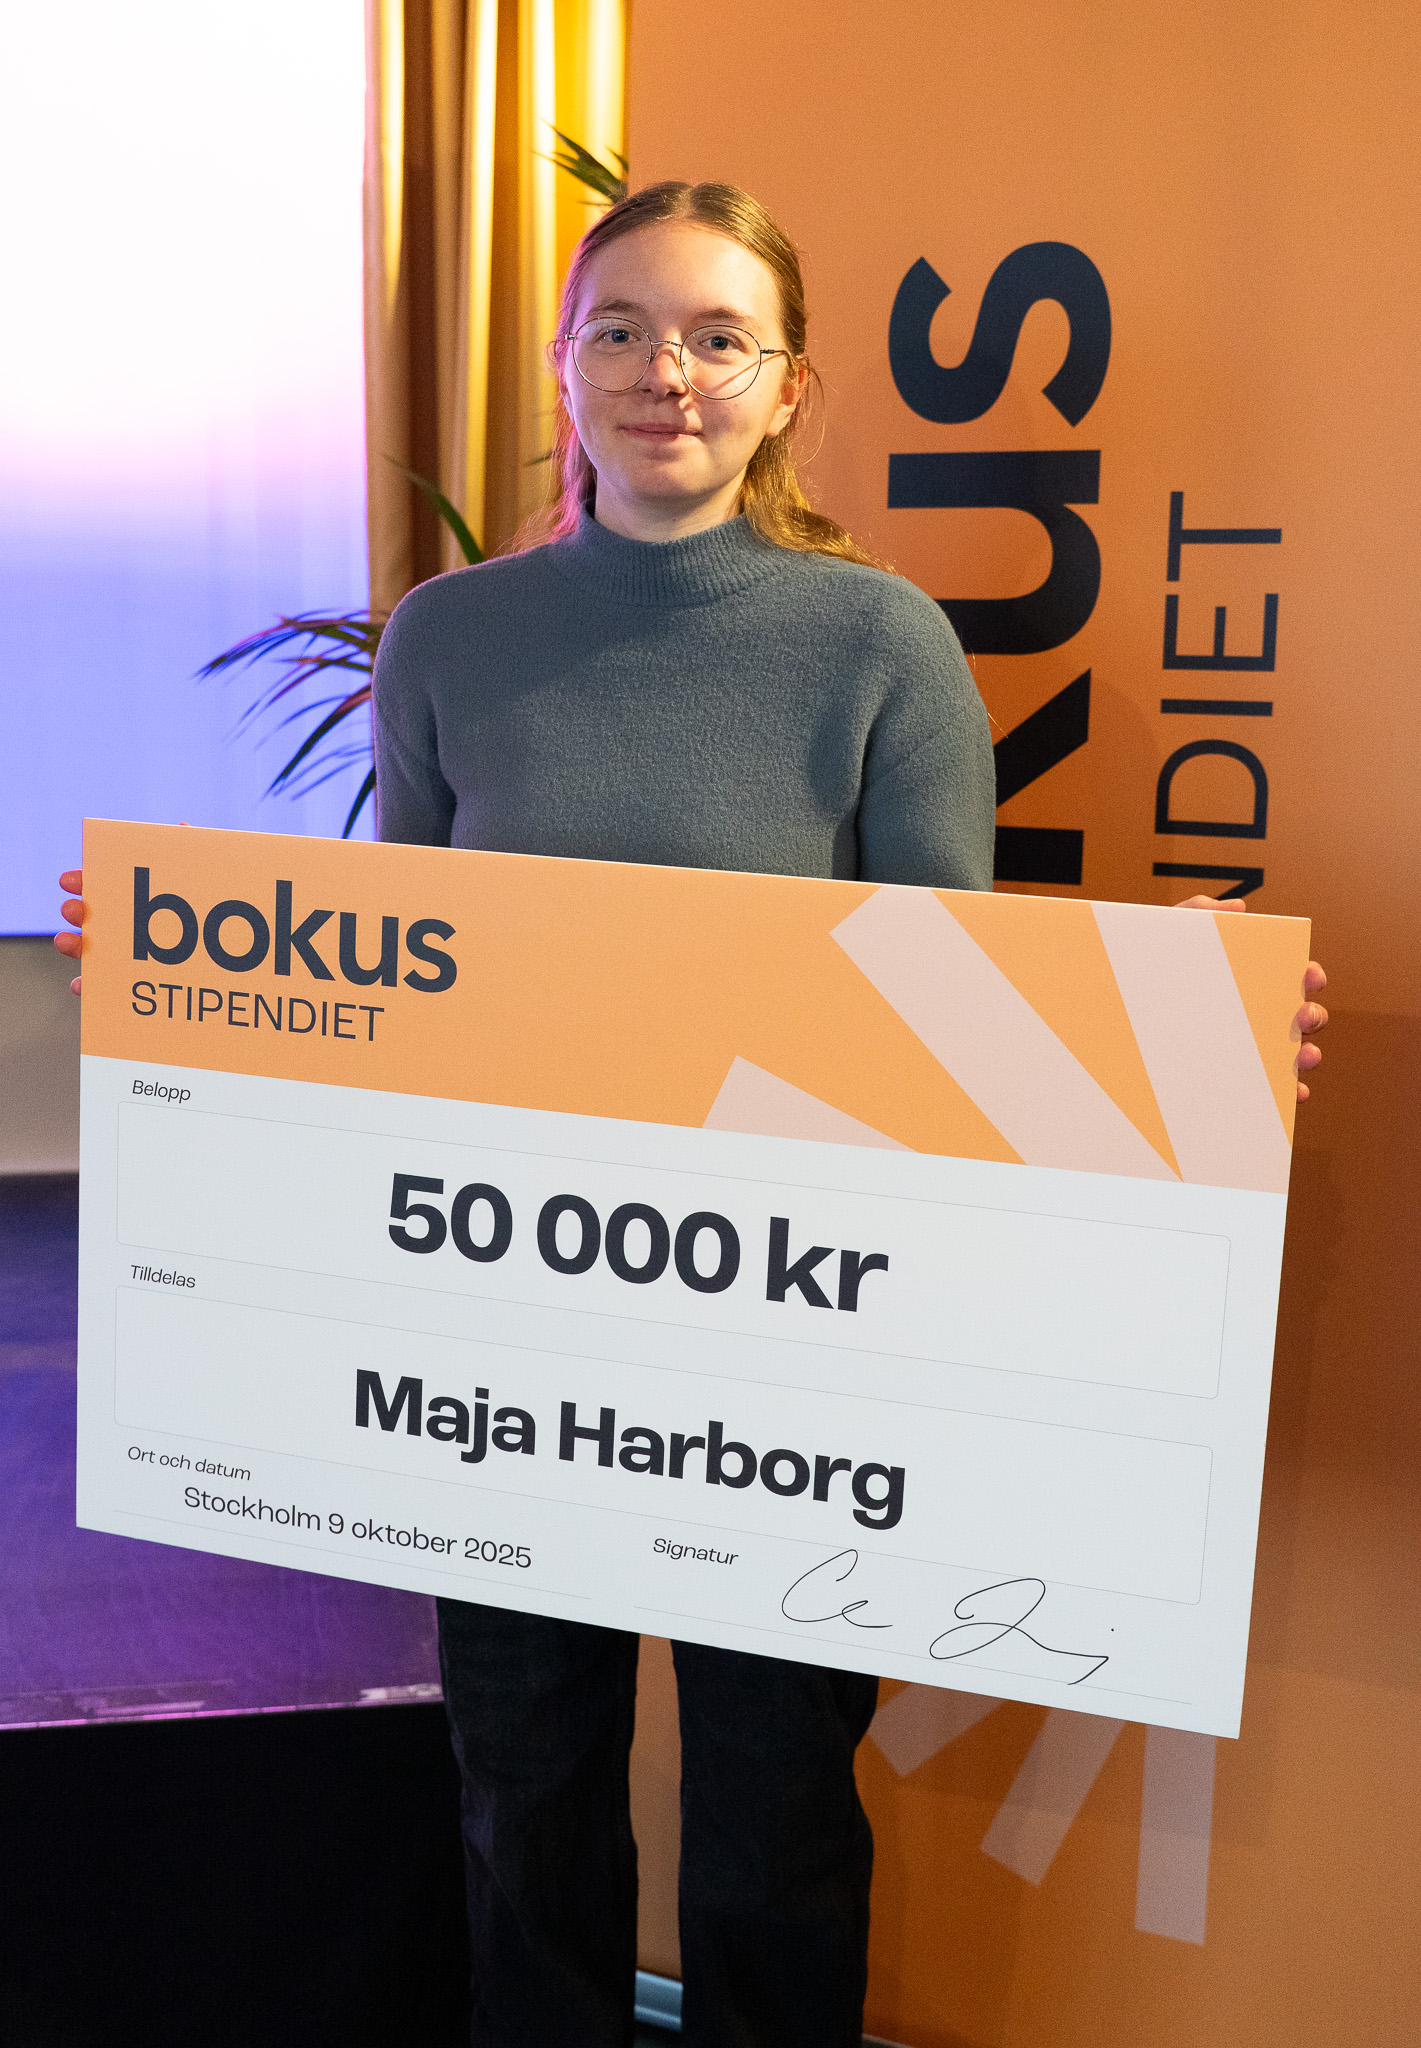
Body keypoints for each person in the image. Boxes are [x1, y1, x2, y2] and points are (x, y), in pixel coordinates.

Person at [56, 181, 1329, 2048]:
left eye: (719, 337)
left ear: (788, 385)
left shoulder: (877, 642)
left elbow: (949, 1003)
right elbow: (412, 985)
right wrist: (185, 967)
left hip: (791, 1342)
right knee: (524, 1799)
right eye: (624, 329)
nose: (668, 372)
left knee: (773, 1820)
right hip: (501, 1326)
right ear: (565, 364)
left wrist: (1170, 1035)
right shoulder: (449, 638)